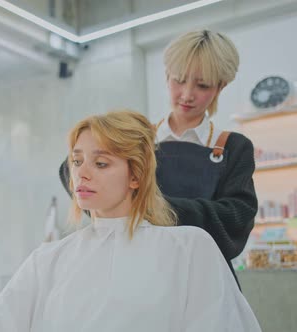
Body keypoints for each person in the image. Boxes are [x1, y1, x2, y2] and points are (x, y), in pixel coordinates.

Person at [0, 111, 261, 331]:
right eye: (78, 161)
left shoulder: (188, 248)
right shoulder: (52, 259)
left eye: (101, 163)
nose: (82, 173)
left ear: (136, 175)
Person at [60, 30, 257, 286]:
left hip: (205, 276)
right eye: (179, 80)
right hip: (141, 271)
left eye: (202, 85)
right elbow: (71, 171)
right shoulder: (133, 141)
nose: (187, 94)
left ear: (221, 86)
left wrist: (150, 205)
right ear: (166, 76)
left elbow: (237, 218)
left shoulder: (234, 147)